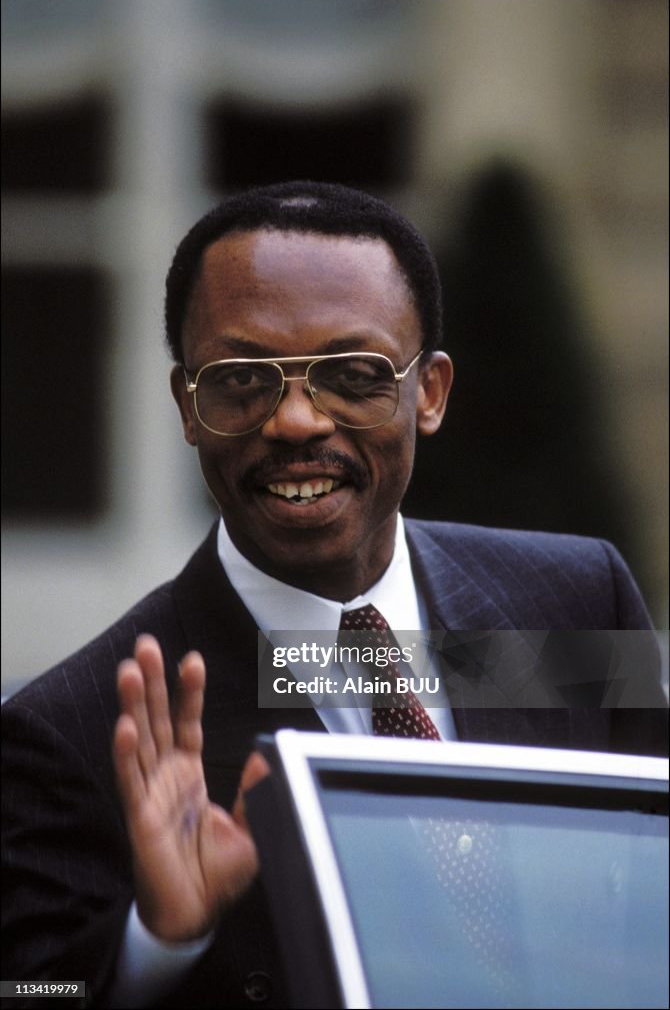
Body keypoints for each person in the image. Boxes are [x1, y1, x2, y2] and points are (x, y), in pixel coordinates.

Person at [2, 180, 666, 1010]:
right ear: (188, 406)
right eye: (244, 380)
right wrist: (157, 943)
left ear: (429, 393)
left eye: (352, 375)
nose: (295, 421)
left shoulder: (571, 603)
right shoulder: (76, 732)